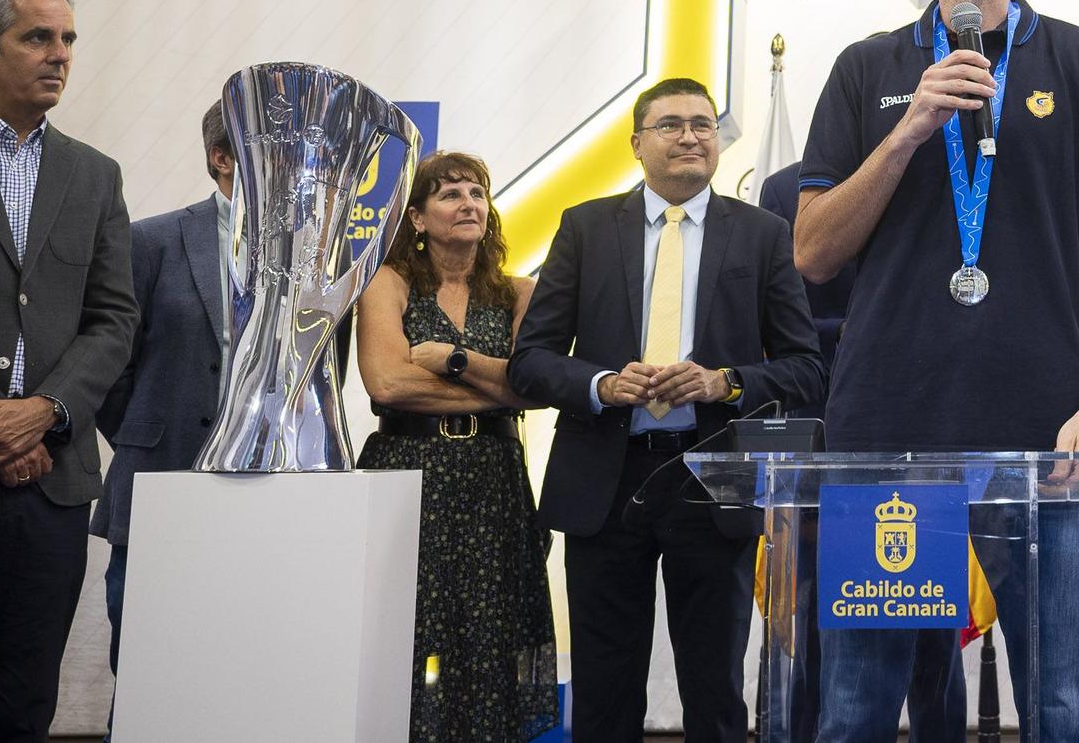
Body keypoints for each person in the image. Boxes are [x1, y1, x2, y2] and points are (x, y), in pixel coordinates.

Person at [795, 0, 1079, 741]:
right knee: (856, 710)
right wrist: (907, 132)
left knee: (1063, 708)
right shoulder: (863, 68)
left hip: (1046, 438)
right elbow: (812, 252)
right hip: (887, 433)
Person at [509, 78, 824, 743]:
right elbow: (532, 359)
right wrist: (601, 384)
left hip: (714, 484)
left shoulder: (764, 235)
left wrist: (725, 383)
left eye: (704, 125)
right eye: (672, 124)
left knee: (714, 690)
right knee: (604, 687)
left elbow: (806, 368)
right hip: (605, 478)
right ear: (637, 144)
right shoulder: (586, 227)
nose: (690, 136)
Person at [0, 0, 139, 741]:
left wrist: (44, 414)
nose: (59, 55)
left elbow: (114, 318)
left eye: (68, 38)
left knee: (21, 699)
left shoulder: (94, 174)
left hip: (53, 482)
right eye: (37, 36)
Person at [757, 160, 967, 743]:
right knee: (824, 611)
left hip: (927, 425)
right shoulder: (785, 188)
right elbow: (779, 311)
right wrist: (857, 335)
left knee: (931, 614)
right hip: (825, 432)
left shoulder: (946, 163)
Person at [355, 151, 557, 742]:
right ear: (416, 218)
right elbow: (387, 383)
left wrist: (453, 360)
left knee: (490, 641)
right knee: (404, 636)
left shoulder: (522, 292)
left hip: (493, 485)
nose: (468, 203)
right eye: (449, 194)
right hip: (405, 478)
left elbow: (536, 387)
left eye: (476, 192)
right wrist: (500, 385)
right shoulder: (385, 282)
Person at [93, 99, 236, 713]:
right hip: (158, 480)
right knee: (150, 680)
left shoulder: (313, 257)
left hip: (276, 495)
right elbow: (108, 362)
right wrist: (146, 432)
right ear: (221, 157)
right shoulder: (151, 240)